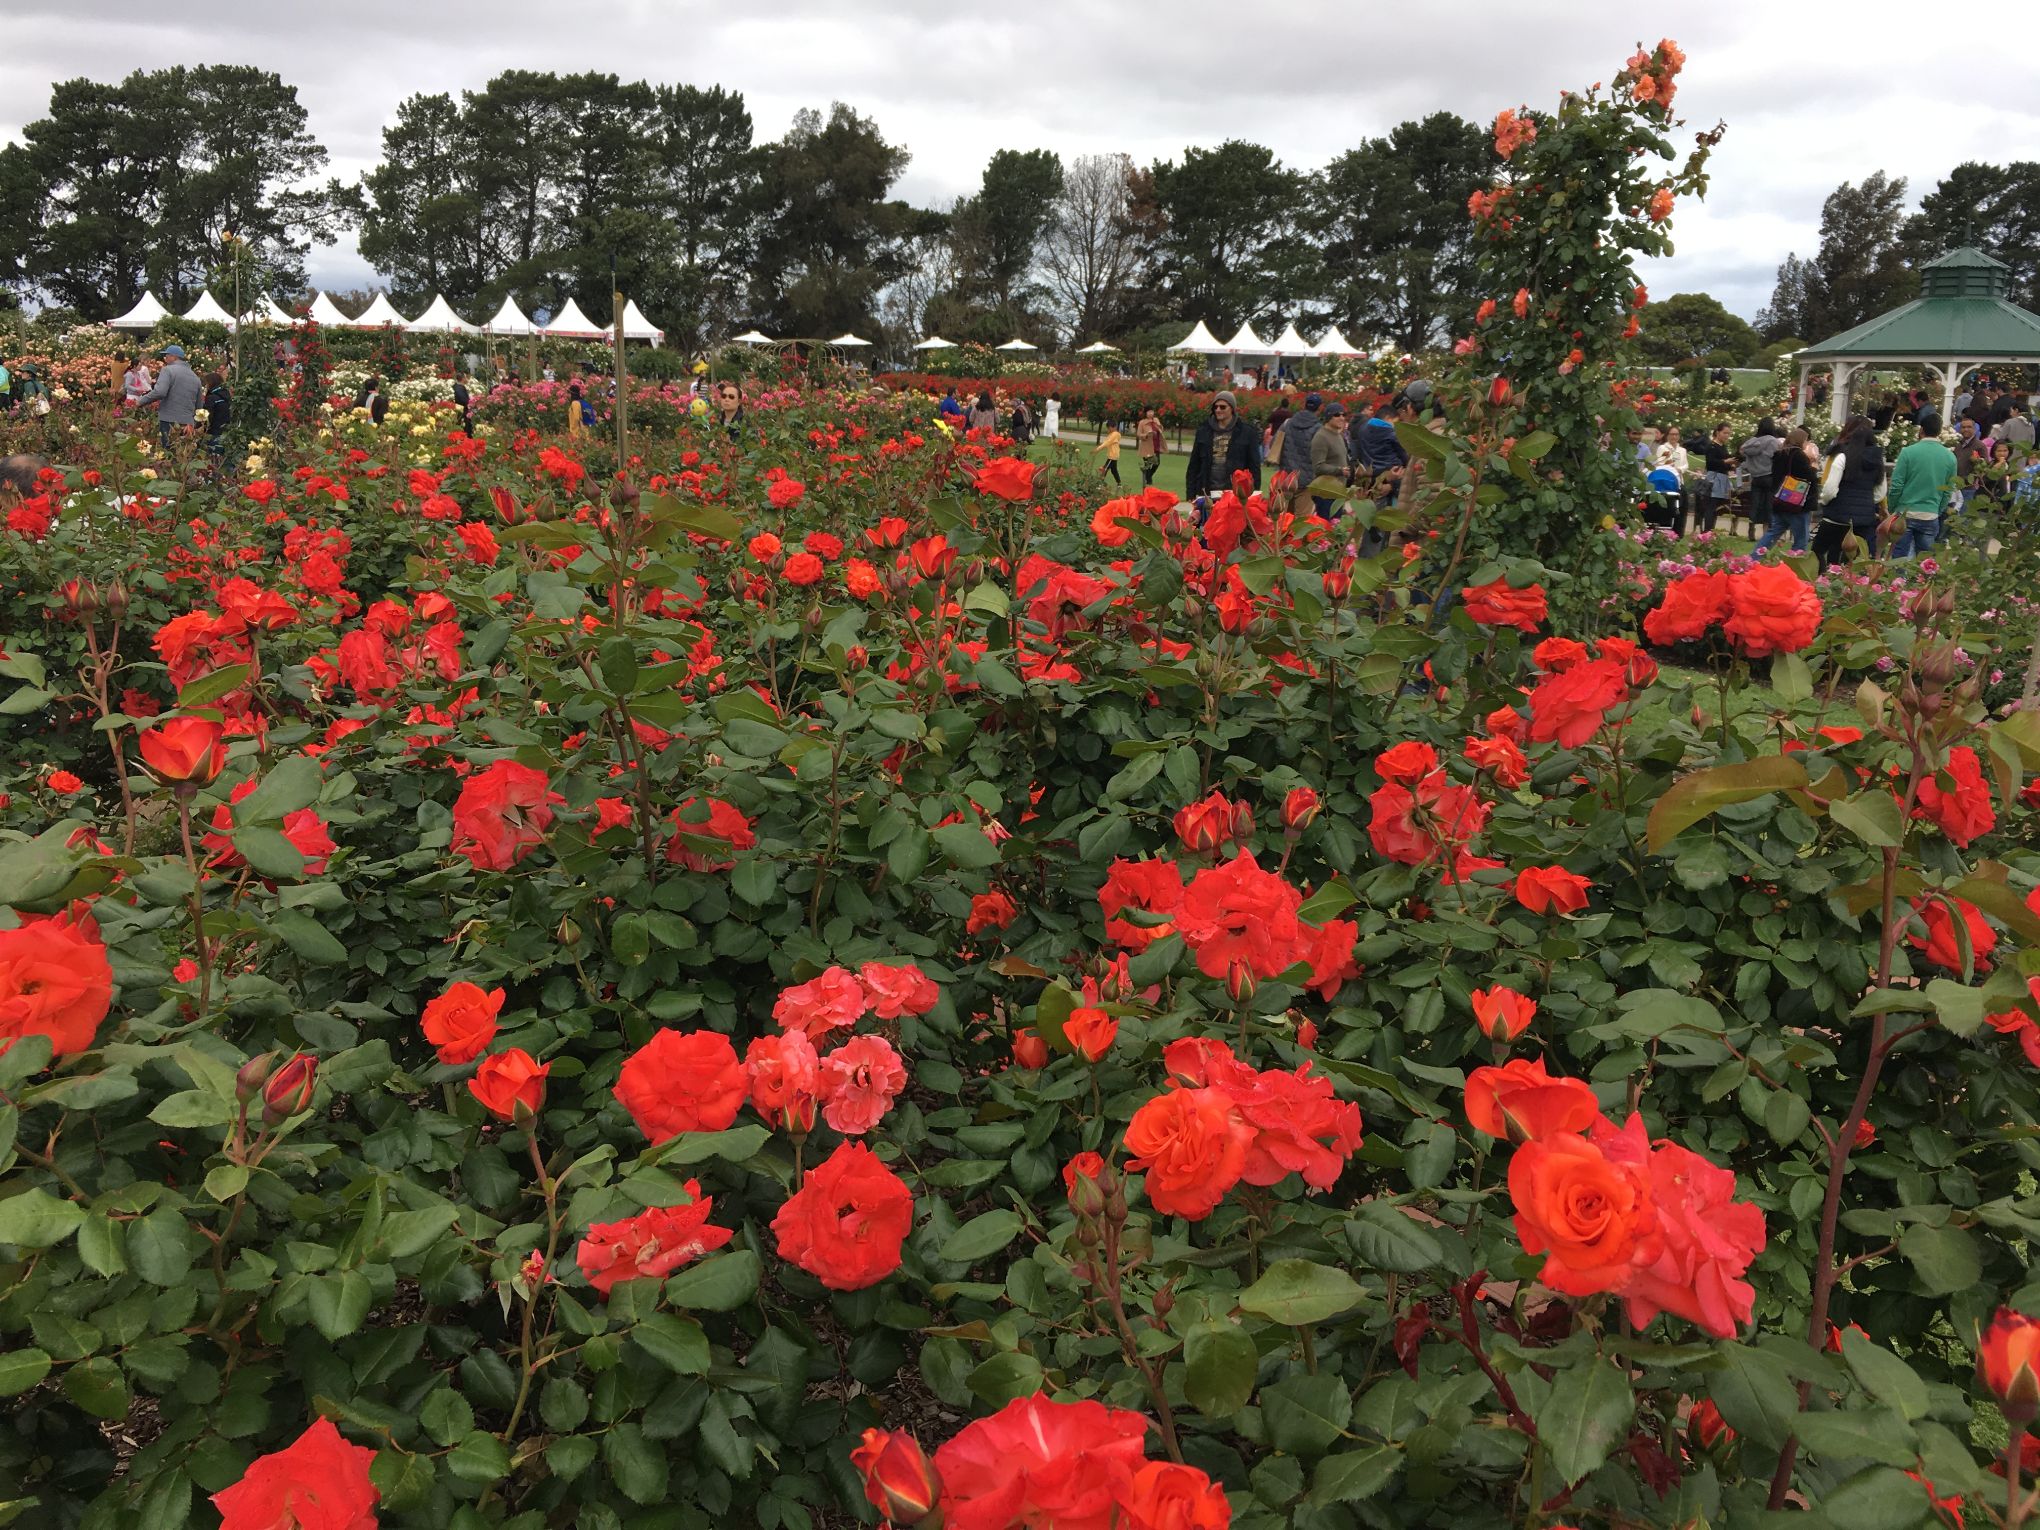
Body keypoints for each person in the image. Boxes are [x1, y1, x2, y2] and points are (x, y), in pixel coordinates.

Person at [1813, 414, 1886, 567]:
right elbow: (1880, 493)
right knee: (1849, 558)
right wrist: (1865, 503)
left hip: (1837, 515)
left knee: (1818, 551)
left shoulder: (1842, 457)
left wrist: (1825, 501)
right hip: (1863, 520)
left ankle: (1822, 580)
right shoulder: (1878, 461)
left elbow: (1830, 489)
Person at [1886, 411, 1958, 559]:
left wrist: (1893, 508)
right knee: (1925, 563)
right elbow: (1948, 490)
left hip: (1904, 513)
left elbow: (1896, 485)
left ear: (1921, 430)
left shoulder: (1908, 452)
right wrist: (1938, 510)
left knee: (1898, 558)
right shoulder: (1950, 457)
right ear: (1939, 432)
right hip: (1930, 513)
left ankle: (1897, 582)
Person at [1185, 391, 1261, 501]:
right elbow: (1194, 465)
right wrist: (1191, 494)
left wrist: (1253, 495)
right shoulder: (1203, 431)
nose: (1218, 410)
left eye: (1222, 407)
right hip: (1207, 492)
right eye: (1215, 407)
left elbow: (1254, 468)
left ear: (1232, 408)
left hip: (1234, 494)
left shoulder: (1247, 433)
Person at [1754, 427, 1817, 553]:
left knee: (1773, 533)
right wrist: (1813, 466)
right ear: (1801, 441)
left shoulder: (1779, 454)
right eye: (1806, 441)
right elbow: (1809, 477)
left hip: (1781, 499)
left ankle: (1754, 557)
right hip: (1797, 503)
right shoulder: (1799, 455)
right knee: (1801, 538)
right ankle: (1794, 562)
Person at [135, 343, 202, 444]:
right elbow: (199, 404)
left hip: (169, 420)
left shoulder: (168, 370)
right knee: (183, 454)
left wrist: (140, 402)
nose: (165, 358)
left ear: (174, 357)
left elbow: (160, 392)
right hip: (188, 423)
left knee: (168, 452)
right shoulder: (195, 376)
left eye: (167, 355)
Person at [1273, 391, 1323, 517]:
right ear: (1320, 408)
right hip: (1306, 480)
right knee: (1301, 524)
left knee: (1283, 522)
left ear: (1304, 405)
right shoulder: (1318, 428)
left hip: (1286, 477)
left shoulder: (1288, 423)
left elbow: (1274, 444)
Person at [1739, 417, 1785, 535]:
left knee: (1755, 504)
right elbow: (1777, 458)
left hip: (1755, 477)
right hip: (1769, 476)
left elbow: (1742, 451)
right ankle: (1767, 530)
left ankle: (1751, 528)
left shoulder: (1750, 442)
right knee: (1769, 505)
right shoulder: (1773, 441)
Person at [1308, 401, 1349, 515]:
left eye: (1343, 414)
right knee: (1326, 528)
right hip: (1326, 493)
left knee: (1336, 527)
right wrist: (1339, 470)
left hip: (1338, 491)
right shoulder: (1321, 437)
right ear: (1328, 417)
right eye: (1337, 415)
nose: (1341, 418)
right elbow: (1318, 466)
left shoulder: (1338, 435)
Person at [201, 369, 232, 457]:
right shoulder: (226, 395)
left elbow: (208, 416)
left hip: (213, 431)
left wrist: (201, 428)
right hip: (224, 430)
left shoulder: (212, 398)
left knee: (211, 457)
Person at [1136, 407, 1164, 488]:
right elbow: (1139, 434)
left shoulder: (1156, 420)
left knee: (1157, 463)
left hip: (1156, 446)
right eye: (1149, 412)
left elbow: (1161, 430)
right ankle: (1148, 480)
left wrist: (1159, 426)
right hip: (1146, 447)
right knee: (1147, 464)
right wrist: (1146, 435)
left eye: (1152, 411)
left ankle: (1148, 476)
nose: (1151, 413)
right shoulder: (1142, 422)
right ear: (1146, 413)